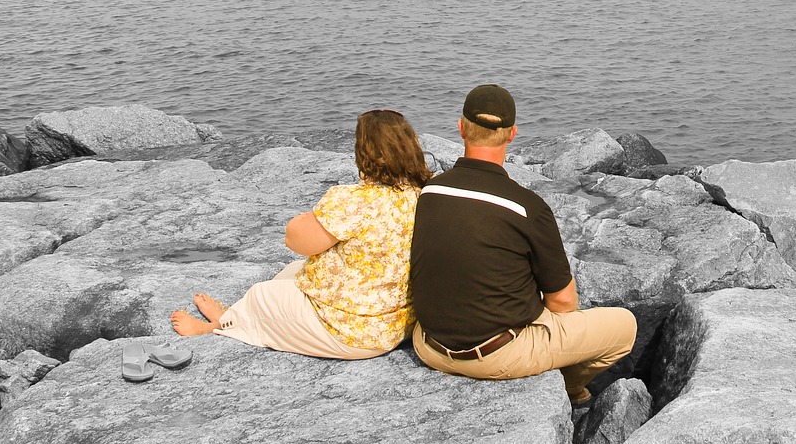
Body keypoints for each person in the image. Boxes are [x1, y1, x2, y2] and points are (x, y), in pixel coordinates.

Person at [409, 84, 636, 404]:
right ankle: (571, 390)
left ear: (461, 127)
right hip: (495, 356)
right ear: (512, 134)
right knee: (624, 326)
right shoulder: (526, 206)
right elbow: (562, 303)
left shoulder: (429, 192)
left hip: (428, 347)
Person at [171, 108, 430, 359]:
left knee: (261, 295)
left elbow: (295, 239)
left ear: (364, 154)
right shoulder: (423, 195)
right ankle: (233, 316)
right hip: (396, 324)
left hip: (351, 332)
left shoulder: (354, 200)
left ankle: (215, 327)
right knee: (291, 272)